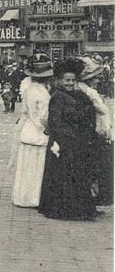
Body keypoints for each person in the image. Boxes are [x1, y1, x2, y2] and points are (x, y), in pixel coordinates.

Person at [38, 58, 98, 220]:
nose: (70, 83)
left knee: (78, 174)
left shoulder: (79, 95)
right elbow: (55, 122)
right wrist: (66, 139)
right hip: (63, 142)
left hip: (78, 142)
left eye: (73, 80)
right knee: (63, 176)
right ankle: (64, 209)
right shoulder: (57, 97)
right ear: (59, 80)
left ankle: (79, 208)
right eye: (67, 80)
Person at [10, 54, 53, 207]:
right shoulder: (42, 93)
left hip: (28, 129)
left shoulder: (29, 89)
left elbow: (27, 111)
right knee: (37, 166)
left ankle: (23, 197)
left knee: (26, 167)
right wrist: (50, 127)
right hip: (38, 131)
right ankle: (35, 198)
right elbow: (42, 116)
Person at [76, 56, 114, 207]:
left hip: (98, 132)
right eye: (95, 78)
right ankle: (99, 196)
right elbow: (101, 112)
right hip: (96, 133)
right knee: (99, 166)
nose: (98, 80)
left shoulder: (87, 90)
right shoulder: (89, 93)